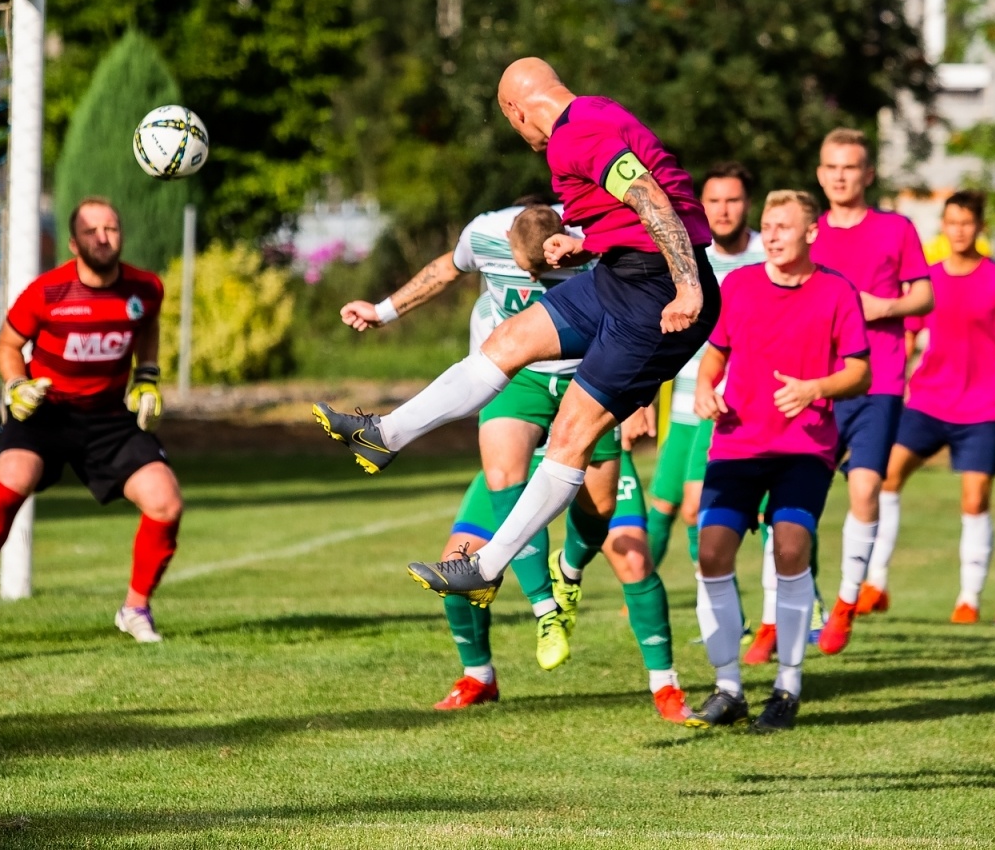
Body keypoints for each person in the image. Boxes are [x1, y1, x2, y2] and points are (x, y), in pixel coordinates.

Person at [314, 57, 718, 723]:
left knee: (572, 436)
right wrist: (582, 249)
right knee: (506, 343)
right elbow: (628, 213)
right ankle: (383, 434)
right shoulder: (592, 115)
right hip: (618, 272)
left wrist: (689, 286)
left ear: (515, 110)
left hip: (654, 289)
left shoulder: (572, 133)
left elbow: (650, 197)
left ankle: (490, 563)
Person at [340, 201, 664, 711]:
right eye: (525, 271)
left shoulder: (599, 236)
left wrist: (643, 395)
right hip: (523, 382)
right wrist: (381, 312)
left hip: (591, 384)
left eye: (548, 273)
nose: (536, 281)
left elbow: (650, 307)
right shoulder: (485, 234)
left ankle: (570, 573)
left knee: (609, 531)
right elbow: (445, 267)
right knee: (459, 551)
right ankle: (499, 655)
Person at [0, 198, 180, 643]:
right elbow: (7, 346)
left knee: (166, 502)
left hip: (107, 417)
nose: (103, 237)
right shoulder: (47, 292)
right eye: (92, 231)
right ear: (73, 242)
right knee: (10, 483)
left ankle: (135, 609)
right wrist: (15, 386)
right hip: (46, 413)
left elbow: (148, 327)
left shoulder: (145, 289)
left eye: (111, 228)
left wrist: (146, 377)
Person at [691, 190, 870, 732]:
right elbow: (715, 354)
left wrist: (816, 387)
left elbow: (859, 371)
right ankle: (728, 687)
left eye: (783, 226)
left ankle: (787, 687)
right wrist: (705, 388)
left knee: (791, 546)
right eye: (766, 226)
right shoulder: (739, 285)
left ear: (811, 233)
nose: (770, 235)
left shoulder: (837, 292)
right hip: (737, 442)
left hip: (804, 448)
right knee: (711, 552)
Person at [873, 191, 995, 622]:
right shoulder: (927, 280)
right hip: (928, 401)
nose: (958, 230)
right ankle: (874, 583)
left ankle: (968, 599)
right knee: (886, 477)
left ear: (979, 227)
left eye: (967, 223)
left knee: (975, 500)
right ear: (943, 225)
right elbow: (910, 335)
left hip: (981, 409)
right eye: (951, 222)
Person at [807, 129, 933, 655]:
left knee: (864, 491)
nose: (840, 176)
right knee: (799, 503)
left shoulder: (896, 229)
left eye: (850, 167)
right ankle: (794, 607)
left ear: (868, 174)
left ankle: (845, 601)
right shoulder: (809, 233)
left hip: (879, 381)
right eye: (832, 167)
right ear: (820, 174)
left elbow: (924, 294)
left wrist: (885, 308)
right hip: (816, 382)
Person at [646, 162, 765, 569]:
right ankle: (640, 598)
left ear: (748, 204)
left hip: (739, 402)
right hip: (685, 398)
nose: (723, 210)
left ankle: (792, 606)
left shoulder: (769, 254)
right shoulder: (687, 257)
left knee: (738, 509)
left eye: (733, 200)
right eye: (714, 200)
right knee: (662, 503)